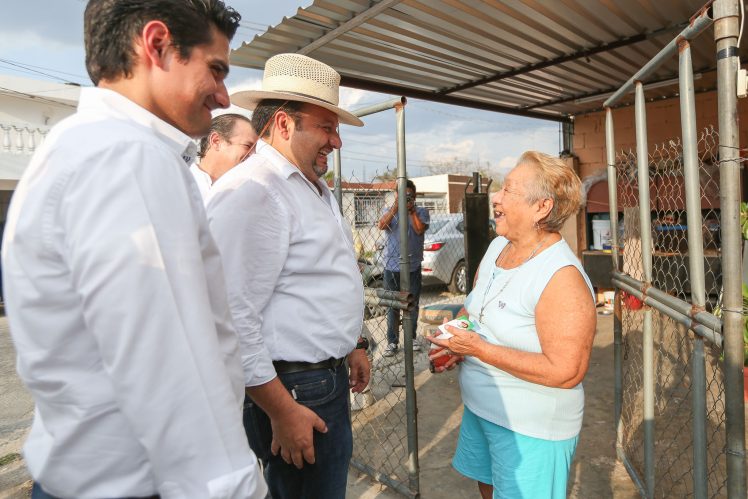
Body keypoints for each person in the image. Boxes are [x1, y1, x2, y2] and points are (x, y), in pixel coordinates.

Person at [1, 1, 267, 498]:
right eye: (215, 69)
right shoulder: (127, 157)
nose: (223, 94)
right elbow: (171, 371)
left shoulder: (81, 146)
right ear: (157, 44)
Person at [206, 53, 370, 499]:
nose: (336, 141)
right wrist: (281, 411)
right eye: (326, 127)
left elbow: (317, 281)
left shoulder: (309, 186)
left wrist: (353, 343)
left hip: (319, 382)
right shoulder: (255, 192)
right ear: (283, 124)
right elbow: (230, 316)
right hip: (293, 392)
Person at [428, 151, 596, 499]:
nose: (496, 198)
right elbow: (476, 310)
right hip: (483, 410)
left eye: (508, 190)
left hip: (529, 429)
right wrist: (456, 336)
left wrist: (476, 348)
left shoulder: (561, 277)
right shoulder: (498, 247)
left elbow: (566, 371)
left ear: (542, 207)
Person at [377, 179, 430, 356]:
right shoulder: (389, 211)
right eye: (403, 196)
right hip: (392, 266)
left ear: (414, 197)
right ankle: (392, 342)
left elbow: (419, 229)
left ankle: (411, 338)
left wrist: (411, 210)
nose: (407, 199)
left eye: (410, 196)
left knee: (412, 305)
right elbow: (381, 225)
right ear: (397, 196)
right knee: (392, 306)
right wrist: (395, 208)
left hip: (412, 266)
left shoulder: (421, 211)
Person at [191, 113, 258, 203]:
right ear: (216, 141)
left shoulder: (247, 194)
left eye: (255, 150)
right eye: (247, 146)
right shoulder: (179, 181)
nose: (253, 155)